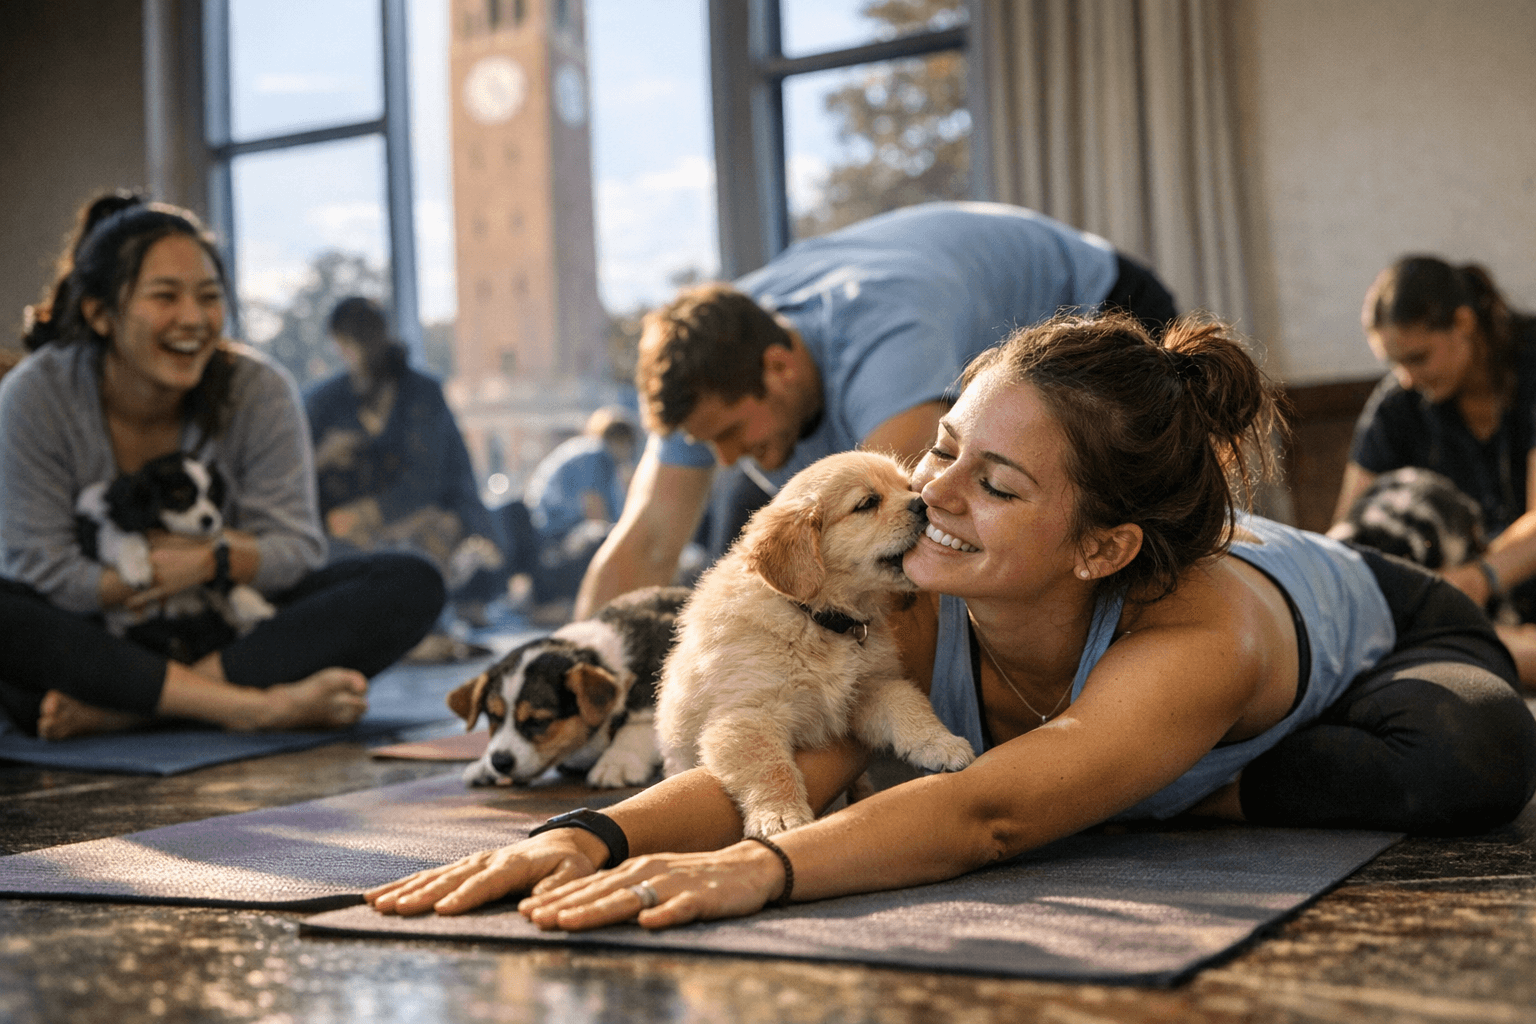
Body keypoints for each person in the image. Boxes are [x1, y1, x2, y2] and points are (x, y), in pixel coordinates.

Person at [367, 312, 1536, 930]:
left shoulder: (1199, 631)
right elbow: (791, 758)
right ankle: (1138, 779)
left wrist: (761, 876)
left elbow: (987, 815)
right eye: (942, 449)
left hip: (1397, 632)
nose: (935, 494)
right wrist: (589, 836)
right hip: (1095, 712)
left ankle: (1194, 780)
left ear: (1102, 547)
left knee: (1467, 756)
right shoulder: (914, 585)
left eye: (999, 485)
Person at [572, 201, 1179, 619]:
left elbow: (920, 544)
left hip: (1103, 302)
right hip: (923, 318)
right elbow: (646, 543)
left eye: (731, 432)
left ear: (779, 367)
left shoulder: (886, 335)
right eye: (710, 442)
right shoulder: (710, 372)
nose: (724, 457)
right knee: (751, 528)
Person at [0, 195, 444, 740]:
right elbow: (40, 571)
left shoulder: (258, 389)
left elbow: (296, 549)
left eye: (209, 297)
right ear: (99, 313)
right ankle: (251, 707)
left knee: (409, 582)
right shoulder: (36, 395)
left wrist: (210, 561)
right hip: (98, 636)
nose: (192, 318)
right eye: (165, 296)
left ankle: (132, 709)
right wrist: (153, 573)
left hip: (218, 625)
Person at [1335, 255, 1536, 679]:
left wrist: (1475, 579)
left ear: (1463, 323)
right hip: (1481, 615)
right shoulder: (1399, 403)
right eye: (1394, 364)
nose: (1407, 378)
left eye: (1419, 357)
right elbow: (1344, 538)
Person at [306, 296, 504, 627]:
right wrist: (325, 457)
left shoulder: (421, 393)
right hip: (355, 531)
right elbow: (295, 474)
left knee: (431, 538)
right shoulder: (329, 399)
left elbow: (429, 481)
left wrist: (369, 513)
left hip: (428, 520)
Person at [521, 406, 640, 606]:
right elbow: (595, 513)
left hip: (555, 532)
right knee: (603, 538)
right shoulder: (596, 454)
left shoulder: (596, 455)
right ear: (622, 441)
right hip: (552, 536)